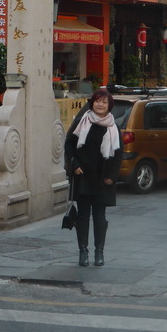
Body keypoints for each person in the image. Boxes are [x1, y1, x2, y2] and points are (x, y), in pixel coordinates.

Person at [64, 88, 123, 267]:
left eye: (104, 102)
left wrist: (112, 176)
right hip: (83, 177)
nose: (100, 104)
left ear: (109, 105)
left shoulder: (113, 127)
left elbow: (118, 154)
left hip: (103, 178)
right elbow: (69, 144)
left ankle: (99, 252)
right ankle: (83, 251)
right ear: (92, 102)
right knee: (82, 216)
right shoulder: (82, 121)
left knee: (100, 217)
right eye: (98, 101)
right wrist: (74, 164)